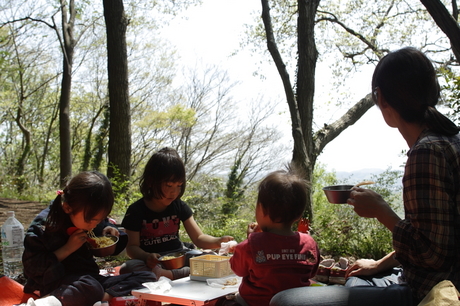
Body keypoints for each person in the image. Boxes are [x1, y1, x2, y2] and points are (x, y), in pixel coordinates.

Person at [270, 47, 460, 306]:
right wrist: (379, 264)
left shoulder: (426, 152)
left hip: (431, 291)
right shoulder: (450, 140)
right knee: (355, 277)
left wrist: (382, 212)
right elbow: (439, 235)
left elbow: (433, 254)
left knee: (285, 301)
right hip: (424, 277)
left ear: (380, 97)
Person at [22, 171, 157, 306]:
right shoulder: (45, 226)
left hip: (90, 281)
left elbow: (102, 225)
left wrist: (110, 231)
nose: (95, 225)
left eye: (99, 220)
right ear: (68, 207)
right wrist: (67, 249)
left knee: (147, 277)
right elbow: (30, 267)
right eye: (92, 220)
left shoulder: (88, 216)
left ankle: (99, 298)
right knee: (90, 286)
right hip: (57, 283)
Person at [120, 147, 234, 280]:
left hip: (179, 256)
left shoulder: (179, 206)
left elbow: (198, 238)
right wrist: (146, 257)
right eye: (169, 186)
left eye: (179, 186)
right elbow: (132, 248)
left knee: (211, 258)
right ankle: (184, 273)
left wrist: (219, 241)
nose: (174, 192)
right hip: (154, 262)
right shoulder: (136, 210)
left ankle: (171, 275)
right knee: (129, 267)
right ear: (151, 181)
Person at [228, 167, 320, 306]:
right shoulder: (309, 243)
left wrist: (250, 241)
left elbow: (238, 269)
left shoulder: (251, 245)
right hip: (296, 303)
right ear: (299, 215)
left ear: (261, 209)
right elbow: (311, 272)